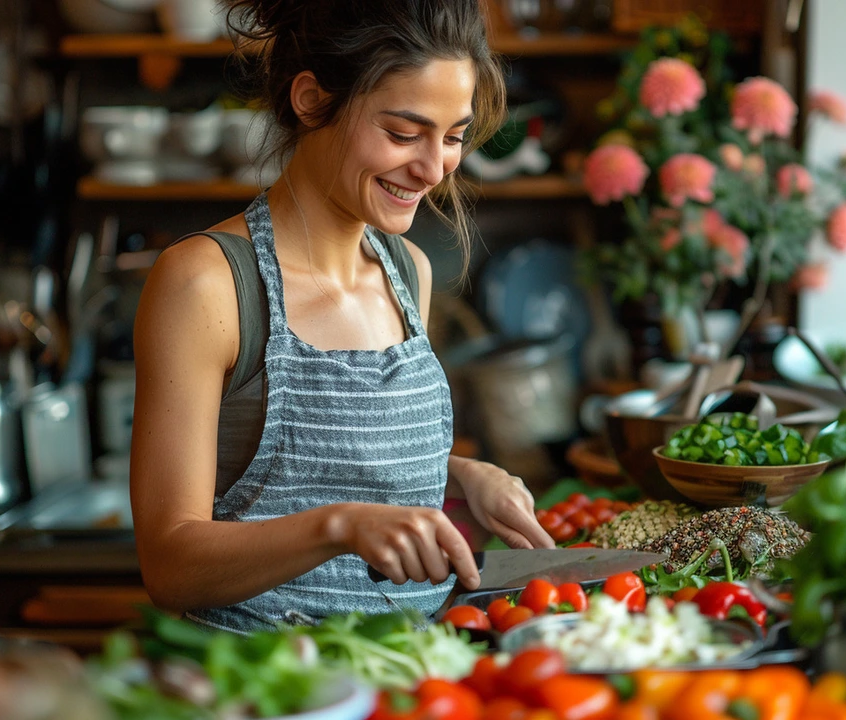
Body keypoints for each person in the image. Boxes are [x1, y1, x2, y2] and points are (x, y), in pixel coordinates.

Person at [129, 0, 554, 633]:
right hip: (267, 687)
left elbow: (342, 465)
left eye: (455, 136)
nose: (433, 166)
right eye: (403, 133)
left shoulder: (409, 271)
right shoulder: (208, 284)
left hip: (410, 676)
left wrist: (458, 478)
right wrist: (341, 528)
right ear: (310, 99)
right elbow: (169, 566)